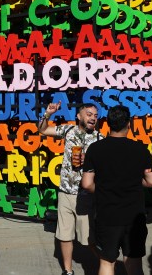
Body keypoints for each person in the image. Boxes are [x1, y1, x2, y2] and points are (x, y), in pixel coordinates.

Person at [81, 105, 152, 275]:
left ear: (107, 124)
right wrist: (135, 182)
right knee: (133, 262)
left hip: (107, 215)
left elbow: (87, 184)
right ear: (128, 125)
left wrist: (102, 188)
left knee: (107, 262)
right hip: (134, 216)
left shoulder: (95, 149)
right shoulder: (140, 149)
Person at [38, 101, 103, 275]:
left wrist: (89, 161)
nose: (93, 118)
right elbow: (43, 130)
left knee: (89, 238)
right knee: (65, 235)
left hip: (86, 195)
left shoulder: (99, 138)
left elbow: (105, 167)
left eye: (96, 116)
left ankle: (107, 265)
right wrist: (48, 114)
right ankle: (67, 271)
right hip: (65, 191)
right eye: (89, 114)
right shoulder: (68, 130)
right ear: (79, 116)